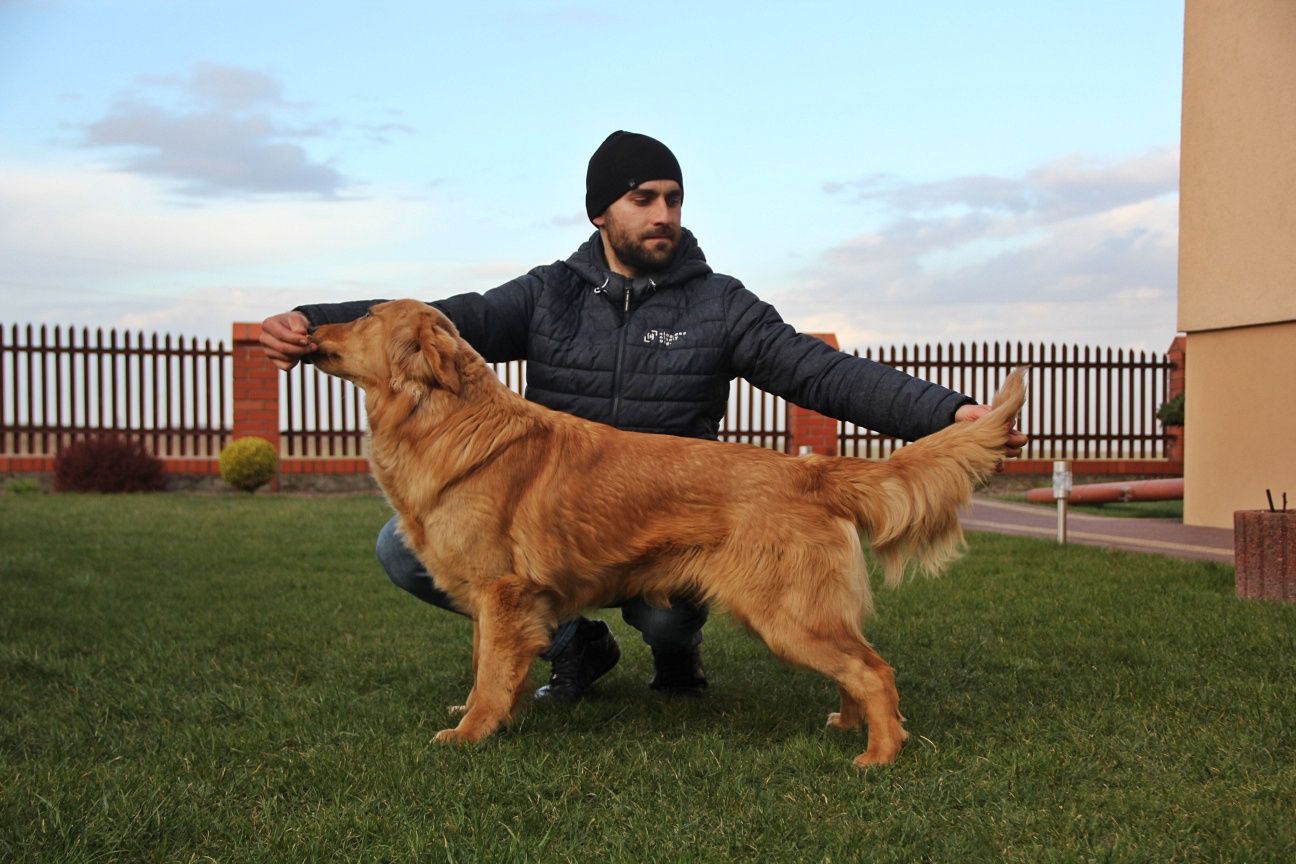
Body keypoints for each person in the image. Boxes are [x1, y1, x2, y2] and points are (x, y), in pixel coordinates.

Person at [260, 131, 1028, 703]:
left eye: (673, 198)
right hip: (564, 525)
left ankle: (674, 651)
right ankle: (575, 646)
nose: (663, 213)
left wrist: (948, 413)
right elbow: (435, 320)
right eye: (643, 198)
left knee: (664, 620)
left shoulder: (718, 302)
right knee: (403, 549)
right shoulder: (547, 293)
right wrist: (313, 322)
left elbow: (819, 370)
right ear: (602, 212)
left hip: (682, 520)